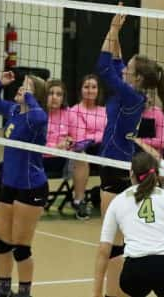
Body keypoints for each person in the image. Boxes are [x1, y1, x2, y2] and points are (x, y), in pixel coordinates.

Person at [96, 13, 164, 297]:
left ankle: (116, 294)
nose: (124, 67)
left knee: (115, 244)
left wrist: (113, 28)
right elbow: (115, 62)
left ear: (138, 77)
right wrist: (115, 30)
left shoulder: (131, 97)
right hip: (113, 163)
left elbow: (103, 67)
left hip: (114, 166)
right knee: (115, 241)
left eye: (130, 67)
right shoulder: (130, 91)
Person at [93, 152, 164, 297]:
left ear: (131, 173)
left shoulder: (119, 201)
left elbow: (104, 251)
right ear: (157, 174)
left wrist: (97, 293)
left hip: (135, 268)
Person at [0, 71, 48, 297]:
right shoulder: (13, 110)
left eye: (27, 86)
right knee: (1, 241)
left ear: (36, 95)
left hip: (31, 187)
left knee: (21, 248)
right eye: (22, 85)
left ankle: (24, 292)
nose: (21, 88)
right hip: (9, 183)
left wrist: (31, 97)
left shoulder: (36, 118)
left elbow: (40, 117)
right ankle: (3, 290)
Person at [66, 74, 107, 219]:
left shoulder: (104, 111)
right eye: (86, 87)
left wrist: (95, 136)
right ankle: (79, 201)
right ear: (81, 90)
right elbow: (80, 138)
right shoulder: (74, 111)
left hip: (101, 150)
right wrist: (99, 135)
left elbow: (108, 133)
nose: (90, 90)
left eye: (94, 87)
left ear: (98, 90)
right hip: (81, 151)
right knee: (81, 157)